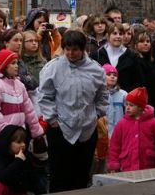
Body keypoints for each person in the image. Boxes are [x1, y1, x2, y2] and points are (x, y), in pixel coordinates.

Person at [38, 30, 108, 193]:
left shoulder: (96, 70)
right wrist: (52, 119)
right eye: (67, 49)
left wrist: (97, 114)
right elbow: (44, 95)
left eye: (75, 49)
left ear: (83, 49)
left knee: (81, 174)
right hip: (60, 129)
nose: (71, 53)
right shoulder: (53, 68)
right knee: (59, 175)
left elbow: (102, 95)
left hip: (87, 130)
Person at [0, 49, 44, 147]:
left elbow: (29, 111)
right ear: (4, 66)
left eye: (16, 63)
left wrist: (36, 131)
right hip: (2, 139)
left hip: (20, 137)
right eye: (13, 63)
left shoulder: (20, 85)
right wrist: (9, 133)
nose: (17, 66)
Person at [108, 87, 155, 172]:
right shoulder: (121, 124)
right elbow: (115, 145)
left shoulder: (154, 123)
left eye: (131, 105)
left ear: (140, 107)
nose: (127, 107)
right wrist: (114, 164)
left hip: (149, 165)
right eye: (126, 104)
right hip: (127, 166)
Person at [0, 125, 41, 195]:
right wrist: (18, 161)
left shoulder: (26, 155)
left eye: (24, 142)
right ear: (8, 143)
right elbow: (3, 177)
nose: (23, 145)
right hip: (5, 190)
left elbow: (34, 178)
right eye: (19, 142)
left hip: (19, 190)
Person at [91, 23, 145, 93]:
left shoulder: (132, 56)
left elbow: (138, 81)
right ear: (108, 35)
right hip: (101, 98)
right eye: (115, 33)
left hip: (125, 99)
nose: (118, 36)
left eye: (120, 34)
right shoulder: (97, 55)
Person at [103, 64, 127, 137]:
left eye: (115, 75)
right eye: (109, 74)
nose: (112, 77)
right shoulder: (98, 94)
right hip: (104, 132)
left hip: (119, 131)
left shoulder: (123, 94)